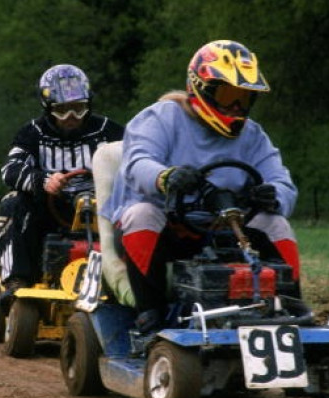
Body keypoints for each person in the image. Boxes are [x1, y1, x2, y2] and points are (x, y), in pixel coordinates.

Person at [99, 40, 301, 334]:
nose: (236, 107)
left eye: (244, 98)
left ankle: (294, 307)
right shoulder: (160, 118)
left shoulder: (253, 135)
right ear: (200, 87)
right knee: (141, 213)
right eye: (229, 95)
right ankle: (151, 312)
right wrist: (165, 177)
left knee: (276, 222)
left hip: (224, 231)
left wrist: (274, 195)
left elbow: (282, 182)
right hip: (165, 230)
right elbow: (137, 163)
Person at [0, 64, 125, 291]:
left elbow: (136, 164)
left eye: (78, 108)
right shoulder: (32, 132)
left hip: (103, 210)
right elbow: (10, 170)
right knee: (13, 201)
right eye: (62, 110)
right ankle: (17, 280)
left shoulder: (109, 130)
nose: (71, 117)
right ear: (47, 108)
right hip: (51, 212)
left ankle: (132, 281)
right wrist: (43, 180)